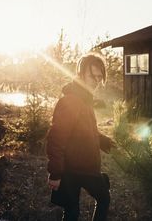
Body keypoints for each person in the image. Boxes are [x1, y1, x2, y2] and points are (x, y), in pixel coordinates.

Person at [46, 53, 116, 221]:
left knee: (103, 198)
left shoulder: (86, 100)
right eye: (93, 76)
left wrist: (104, 141)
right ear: (81, 73)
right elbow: (56, 139)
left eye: (100, 77)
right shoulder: (70, 101)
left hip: (88, 167)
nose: (97, 81)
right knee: (71, 211)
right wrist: (55, 174)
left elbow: (87, 130)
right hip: (71, 169)